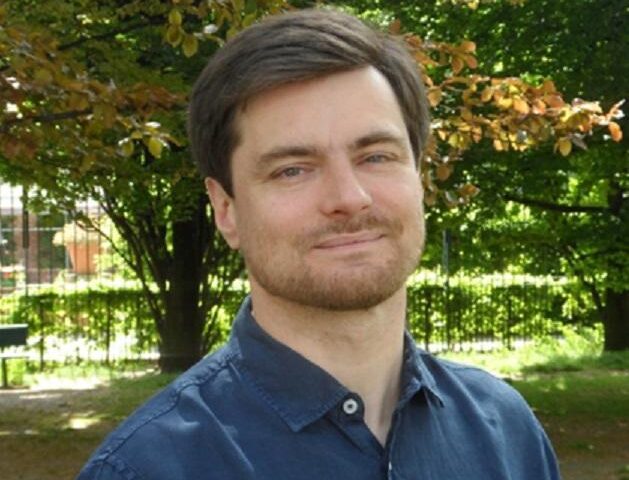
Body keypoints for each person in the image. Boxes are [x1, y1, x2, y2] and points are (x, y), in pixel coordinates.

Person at [78, 8, 561, 480]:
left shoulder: (505, 432)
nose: (349, 198)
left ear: (419, 176)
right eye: (292, 170)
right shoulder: (146, 469)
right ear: (226, 210)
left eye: (376, 156)